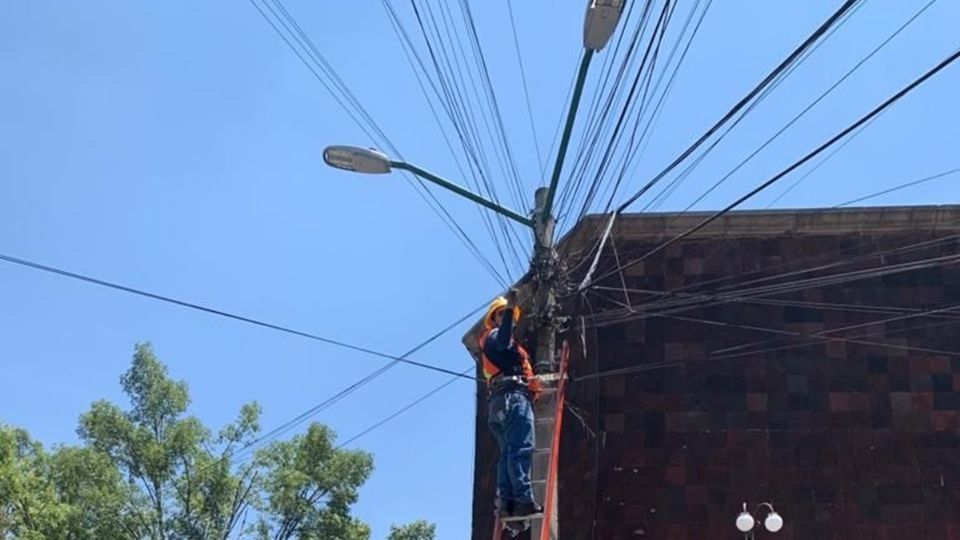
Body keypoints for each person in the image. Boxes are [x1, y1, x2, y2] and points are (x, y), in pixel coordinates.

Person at [479, 289, 543, 519]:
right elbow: (504, 340)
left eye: (513, 319)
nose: (511, 323)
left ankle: (506, 502)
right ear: (495, 317)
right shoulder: (495, 336)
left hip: (499, 404)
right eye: (506, 317)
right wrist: (508, 312)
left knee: (508, 453)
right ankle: (524, 500)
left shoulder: (494, 345)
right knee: (520, 449)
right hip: (513, 399)